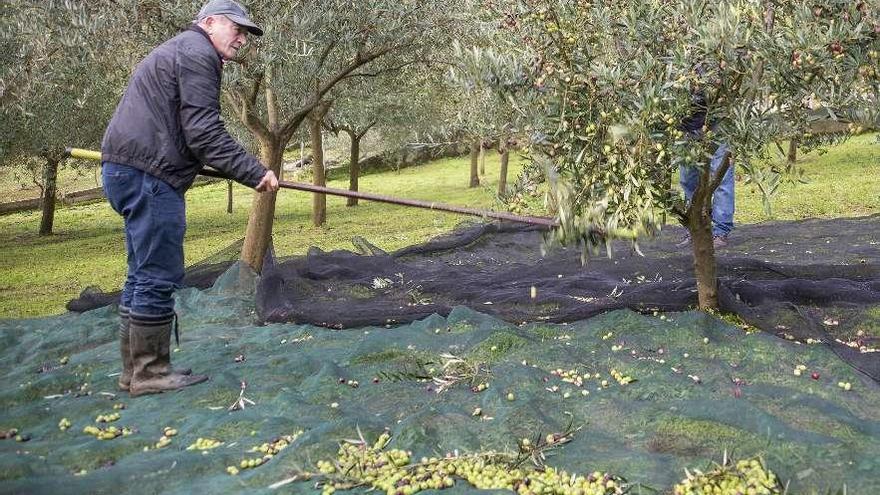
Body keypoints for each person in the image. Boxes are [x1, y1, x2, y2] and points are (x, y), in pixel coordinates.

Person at [101, 0, 279, 397]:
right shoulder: (198, 53)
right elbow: (203, 133)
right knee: (156, 276)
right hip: (149, 175)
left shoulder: (180, 50)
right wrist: (256, 172)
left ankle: (134, 373)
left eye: (246, 33)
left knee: (141, 273)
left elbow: (186, 131)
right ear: (210, 22)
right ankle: (150, 373)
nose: (242, 38)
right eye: (237, 28)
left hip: (126, 170)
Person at [676, 80, 734, 249]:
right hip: (686, 125)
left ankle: (720, 231)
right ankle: (694, 227)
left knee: (722, 175)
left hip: (718, 122)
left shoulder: (717, 57)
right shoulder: (680, 58)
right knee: (687, 179)